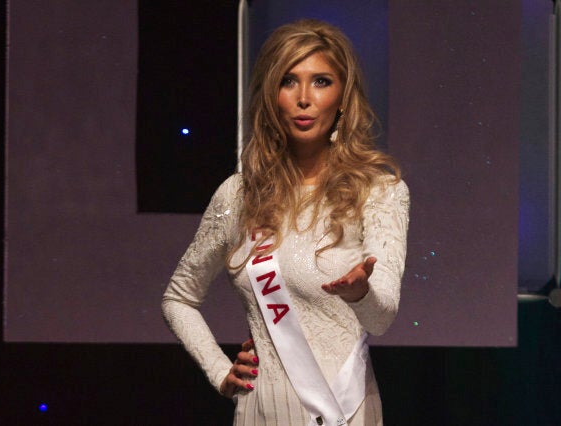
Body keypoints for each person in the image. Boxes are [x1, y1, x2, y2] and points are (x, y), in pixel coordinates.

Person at [162, 19, 409, 425]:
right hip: (261, 409)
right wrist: (219, 370)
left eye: (322, 82)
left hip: (344, 408)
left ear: (343, 97)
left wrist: (360, 292)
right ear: (272, 94)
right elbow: (178, 299)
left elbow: (382, 320)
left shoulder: (380, 192)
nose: (305, 98)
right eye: (289, 81)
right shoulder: (238, 196)